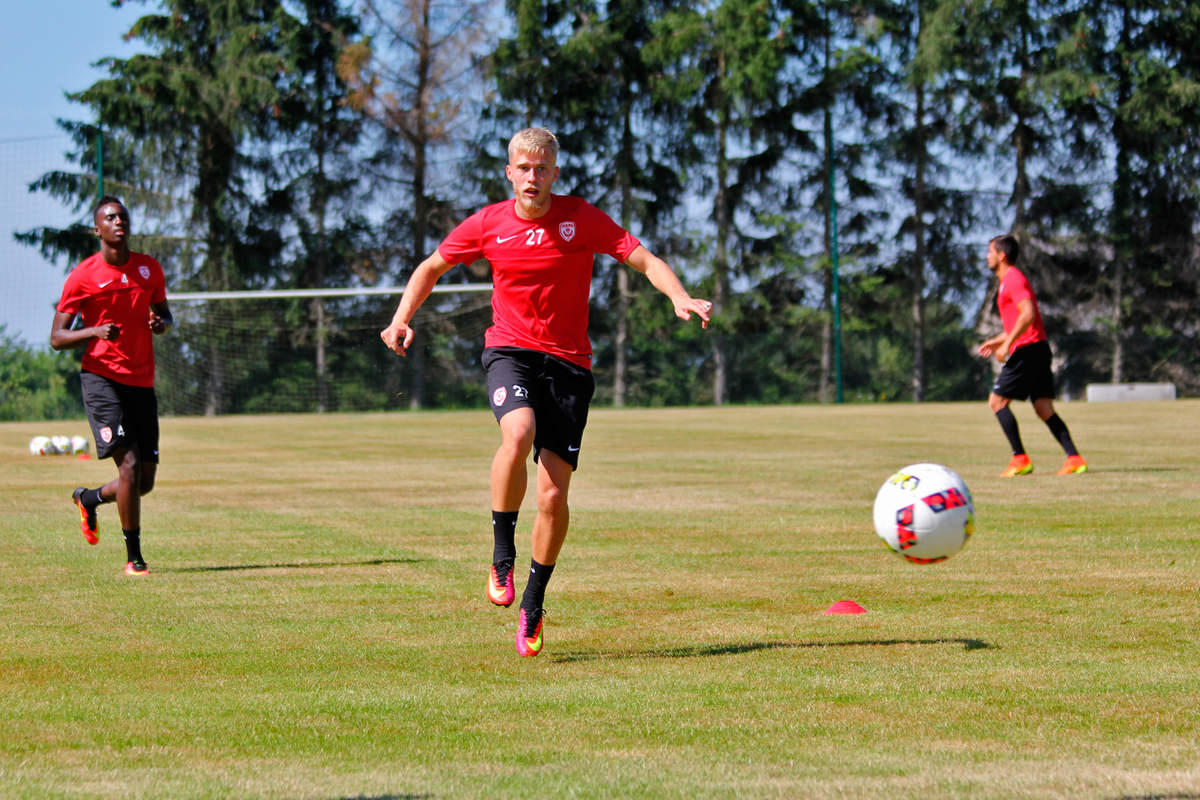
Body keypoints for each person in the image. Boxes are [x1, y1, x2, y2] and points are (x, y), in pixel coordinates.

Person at [380, 128, 712, 657]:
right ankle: (501, 554)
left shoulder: (582, 218)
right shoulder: (488, 223)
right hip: (510, 351)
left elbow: (644, 259)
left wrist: (679, 296)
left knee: (554, 494)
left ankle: (533, 602)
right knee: (519, 431)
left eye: (542, 168)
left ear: (555, 173)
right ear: (509, 172)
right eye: (523, 167)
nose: (532, 177)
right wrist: (401, 319)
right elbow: (431, 267)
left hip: (571, 367)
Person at [51, 196, 173, 575]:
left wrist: (161, 322)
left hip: (141, 380)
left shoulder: (149, 269)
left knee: (143, 482)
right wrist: (93, 331)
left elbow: (164, 311)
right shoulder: (83, 276)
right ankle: (134, 558)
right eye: (110, 217)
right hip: (101, 378)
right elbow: (57, 337)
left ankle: (88, 499)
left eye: (122, 216)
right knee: (130, 466)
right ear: (97, 229)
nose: (118, 221)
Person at [977, 234, 1086, 477]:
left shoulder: (1013, 279)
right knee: (1043, 407)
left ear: (1002, 255)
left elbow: (1028, 315)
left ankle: (1020, 458)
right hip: (1037, 348)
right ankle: (1074, 458)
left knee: (997, 402)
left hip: (1027, 350)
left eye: (990, 252)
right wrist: (998, 341)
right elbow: (1020, 322)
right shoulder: (1007, 281)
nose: (987, 256)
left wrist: (1008, 345)